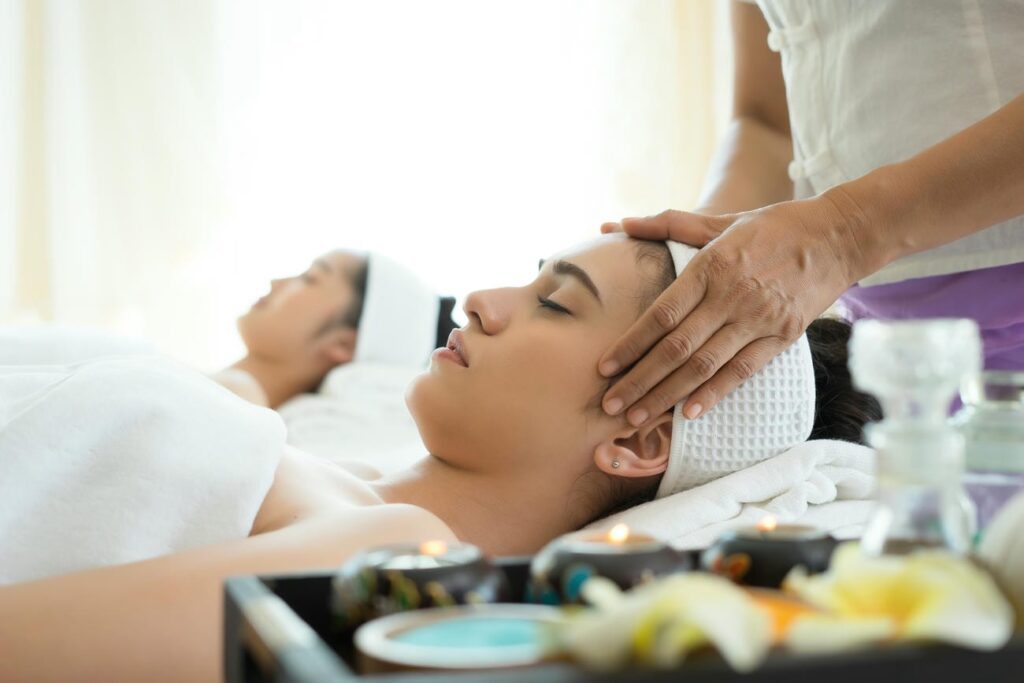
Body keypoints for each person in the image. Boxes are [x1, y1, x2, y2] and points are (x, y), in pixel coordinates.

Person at [0, 234, 878, 681]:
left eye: (555, 305)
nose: (485, 302)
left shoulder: (389, 547)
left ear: (641, 438)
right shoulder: (327, 475)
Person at [598, 0, 1024, 429]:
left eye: (552, 304)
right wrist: (696, 259)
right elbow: (767, 125)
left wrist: (844, 234)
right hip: (881, 349)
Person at [214, 249, 459, 407]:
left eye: (310, 278)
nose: (277, 282)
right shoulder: (224, 392)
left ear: (344, 344)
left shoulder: (237, 398)